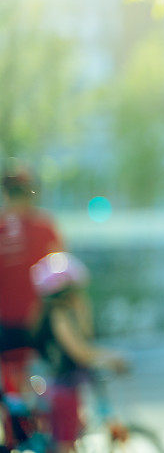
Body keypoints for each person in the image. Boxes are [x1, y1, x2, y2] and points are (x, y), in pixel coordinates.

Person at [30, 252, 128, 453]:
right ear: (66, 292)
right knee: (65, 446)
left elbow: (86, 338)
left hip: (63, 387)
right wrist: (113, 357)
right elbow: (80, 352)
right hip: (62, 389)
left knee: (76, 435)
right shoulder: (59, 316)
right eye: (76, 290)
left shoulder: (58, 313)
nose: (81, 296)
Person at [0, 165, 63, 396]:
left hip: (6, 326)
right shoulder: (45, 228)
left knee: (13, 394)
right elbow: (63, 279)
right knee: (50, 391)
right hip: (42, 324)